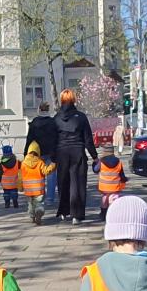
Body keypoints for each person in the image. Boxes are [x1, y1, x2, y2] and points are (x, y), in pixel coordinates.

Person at [54, 89, 98, 224]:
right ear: (74, 100)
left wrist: (52, 156)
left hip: (61, 152)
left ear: (61, 100)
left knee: (63, 183)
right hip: (77, 152)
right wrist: (95, 157)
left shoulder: (56, 118)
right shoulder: (81, 117)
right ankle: (76, 215)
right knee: (77, 184)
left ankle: (63, 211)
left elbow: (53, 139)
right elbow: (88, 139)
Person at [25, 102, 59, 206]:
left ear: (39, 110)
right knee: (51, 175)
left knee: (38, 175)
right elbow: (57, 138)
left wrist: (26, 152)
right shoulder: (53, 122)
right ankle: (50, 198)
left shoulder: (35, 122)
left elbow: (29, 138)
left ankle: (39, 196)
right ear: (48, 110)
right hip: (51, 152)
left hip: (38, 153)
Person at [21, 141, 57, 225]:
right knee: (39, 203)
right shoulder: (40, 162)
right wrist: (52, 165)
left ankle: (32, 216)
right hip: (39, 190)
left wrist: (20, 187)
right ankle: (39, 211)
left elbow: (20, 176)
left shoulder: (23, 164)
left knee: (30, 204)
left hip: (28, 190)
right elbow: (46, 171)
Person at [92, 143, 128, 222]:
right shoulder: (118, 161)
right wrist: (125, 180)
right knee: (113, 199)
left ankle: (103, 215)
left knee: (104, 199)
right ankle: (113, 214)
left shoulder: (101, 162)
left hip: (104, 187)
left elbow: (95, 170)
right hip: (115, 187)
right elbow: (122, 175)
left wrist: (94, 163)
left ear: (104, 152)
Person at [0, 144, 21, 209]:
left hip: (5, 184)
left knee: (6, 194)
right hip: (14, 183)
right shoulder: (18, 162)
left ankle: (7, 203)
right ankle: (15, 202)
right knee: (14, 193)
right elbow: (22, 171)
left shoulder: (1, 164)